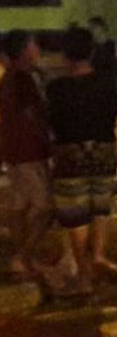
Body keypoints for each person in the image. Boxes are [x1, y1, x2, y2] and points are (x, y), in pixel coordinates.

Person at [45, 27, 117, 293]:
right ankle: (98, 255)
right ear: (92, 52)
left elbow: (45, 124)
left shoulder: (56, 88)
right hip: (103, 153)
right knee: (100, 208)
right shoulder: (109, 83)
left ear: (65, 56)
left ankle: (84, 273)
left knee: (75, 216)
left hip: (69, 154)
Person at [0, 31, 53, 285]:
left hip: (14, 152)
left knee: (19, 206)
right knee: (44, 207)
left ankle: (24, 258)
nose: (37, 48)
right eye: (33, 44)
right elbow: (33, 118)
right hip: (28, 152)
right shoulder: (23, 79)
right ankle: (22, 256)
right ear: (22, 51)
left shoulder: (11, 78)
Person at [87, 17, 117, 95]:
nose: (91, 31)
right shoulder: (90, 48)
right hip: (96, 88)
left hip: (111, 87)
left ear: (102, 28)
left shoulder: (115, 46)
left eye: (93, 28)